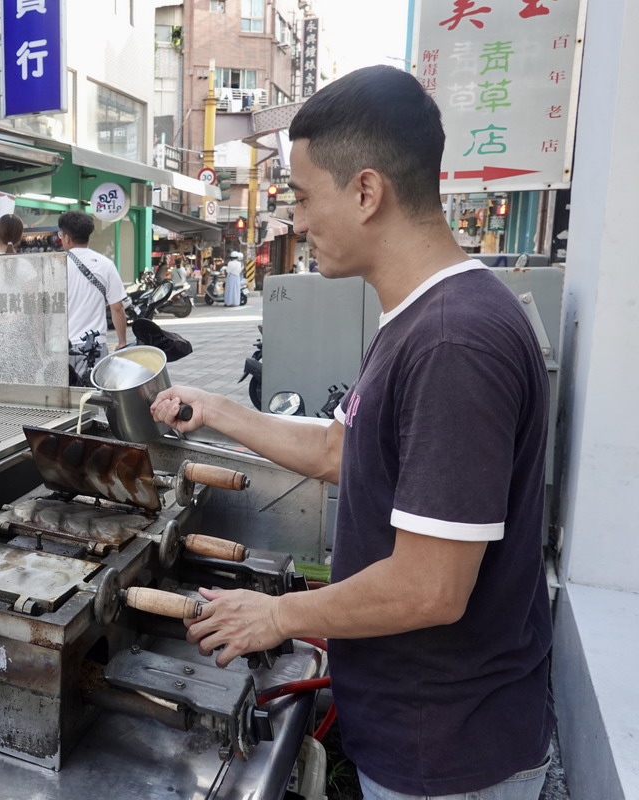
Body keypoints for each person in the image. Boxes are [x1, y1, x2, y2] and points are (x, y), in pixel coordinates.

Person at [151, 65, 553, 800]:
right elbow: (341, 450)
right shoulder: (416, 319)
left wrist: (277, 614)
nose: (296, 222)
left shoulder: (451, 342)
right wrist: (215, 409)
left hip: (448, 749)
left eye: (303, 197)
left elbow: (431, 587)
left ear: (366, 192)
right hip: (417, 727)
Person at [59, 210, 126, 382]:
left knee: (66, 399)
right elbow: (117, 308)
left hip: (61, 346)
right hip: (95, 344)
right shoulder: (106, 264)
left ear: (66, 237)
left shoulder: (56, 264)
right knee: (94, 397)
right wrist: (122, 342)